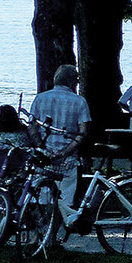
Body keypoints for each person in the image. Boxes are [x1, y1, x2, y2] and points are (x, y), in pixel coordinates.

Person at [30, 64, 91, 226]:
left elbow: (32, 127)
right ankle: (54, 235)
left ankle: (41, 234)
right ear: (73, 82)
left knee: (42, 199)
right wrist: (64, 152)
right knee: (64, 201)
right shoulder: (79, 102)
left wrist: (42, 148)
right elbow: (82, 133)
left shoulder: (40, 98)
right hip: (67, 159)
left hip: (44, 157)